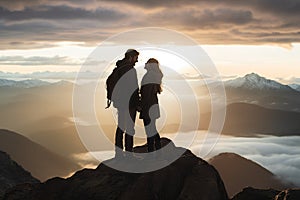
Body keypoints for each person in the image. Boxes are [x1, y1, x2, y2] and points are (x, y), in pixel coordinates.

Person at [112, 49, 140, 159]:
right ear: (131, 57)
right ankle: (129, 154)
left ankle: (118, 154)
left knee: (120, 128)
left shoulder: (119, 69)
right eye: (136, 58)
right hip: (130, 104)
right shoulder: (130, 70)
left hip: (120, 103)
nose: (136, 60)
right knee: (130, 128)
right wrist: (137, 103)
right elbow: (133, 88)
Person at [139, 58, 163, 153]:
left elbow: (146, 94)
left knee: (149, 130)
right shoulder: (154, 76)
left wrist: (141, 105)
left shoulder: (149, 76)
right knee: (152, 129)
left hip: (148, 106)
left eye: (147, 63)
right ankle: (157, 150)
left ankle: (152, 153)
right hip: (153, 105)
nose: (145, 64)